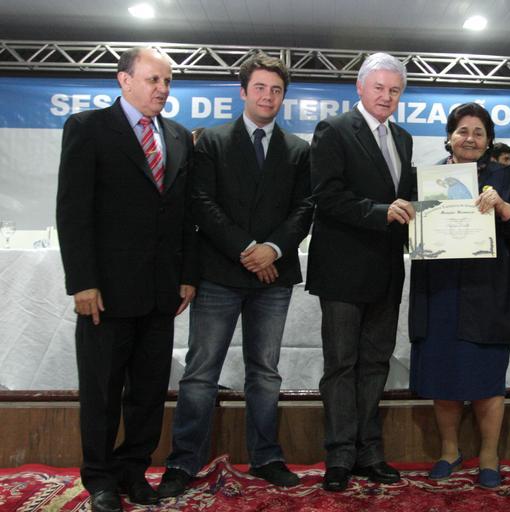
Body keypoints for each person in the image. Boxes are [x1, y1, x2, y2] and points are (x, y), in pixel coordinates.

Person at [158, 53, 313, 496]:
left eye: (276, 90)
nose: (268, 96)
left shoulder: (299, 149)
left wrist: (272, 250)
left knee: (265, 372)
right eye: (260, 88)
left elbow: (305, 208)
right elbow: (201, 202)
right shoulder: (211, 140)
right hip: (219, 273)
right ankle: (183, 461)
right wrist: (248, 250)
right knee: (201, 371)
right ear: (243, 92)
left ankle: (266, 457)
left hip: (273, 277)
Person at [56, 47, 197, 512]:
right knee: (101, 390)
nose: (163, 89)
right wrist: (82, 282)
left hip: (161, 291)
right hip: (106, 292)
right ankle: (99, 478)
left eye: (168, 81)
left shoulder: (177, 136)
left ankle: (134, 471)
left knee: (149, 392)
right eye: (154, 79)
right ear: (125, 80)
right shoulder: (89, 128)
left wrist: (187, 276)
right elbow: (73, 211)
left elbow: (184, 214)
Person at [409, 103, 510, 487]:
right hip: (439, 293)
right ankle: (449, 451)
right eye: (462, 131)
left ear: (488, 140)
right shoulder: (427, 179)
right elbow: (410, 232)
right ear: (449, 136)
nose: (470, 139)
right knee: (442, 376)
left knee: (487, 379)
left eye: (478, 132)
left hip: (489, 294)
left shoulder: (509, 179)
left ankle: (489, 455)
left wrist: (504, 208)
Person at [306, 52, 415, 492]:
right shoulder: (333, 130)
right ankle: (339, 454)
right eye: (379, 88)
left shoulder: (403, 138)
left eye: (395, 90)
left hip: (387, 271)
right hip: (343, 271)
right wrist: (379, 212)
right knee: (341, 365)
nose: (386, 96)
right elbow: (326, 195)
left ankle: (369, 451)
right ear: (360, 87)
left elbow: (405, 198)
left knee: (375, 364)